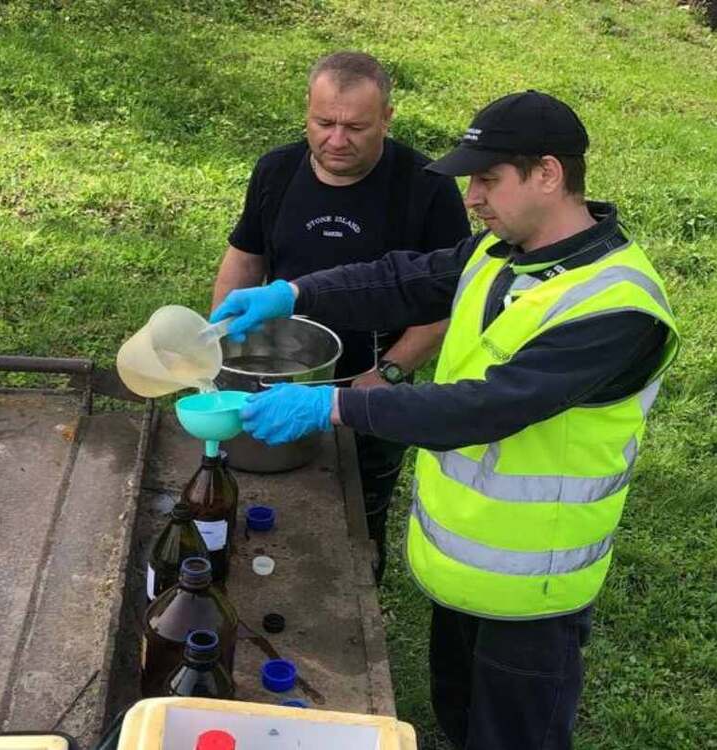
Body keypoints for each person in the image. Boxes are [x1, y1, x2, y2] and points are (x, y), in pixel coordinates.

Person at [210, 91, 681, 750]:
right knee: (459, 719)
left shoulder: (614, 308)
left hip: (532, 590)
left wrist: (332, 403)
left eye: (487, 179)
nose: (472, 197)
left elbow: (482, 407)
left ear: (548, 174)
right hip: (463, 566)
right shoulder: (501, 250)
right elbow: (403, 280)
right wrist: (295, 292)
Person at [213, 51, 469, 582]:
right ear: (307, 112)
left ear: (387, 119)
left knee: (358, 508)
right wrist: (219, 340)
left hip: (372, 381)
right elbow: (245, 257)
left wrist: (387, 374)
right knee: (262, 489)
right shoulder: (277, 170)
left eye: (355, 127)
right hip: (279, 372)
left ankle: (357, 591)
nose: (336, 140)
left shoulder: (426, 187)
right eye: (323, 122)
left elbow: (446, 299)